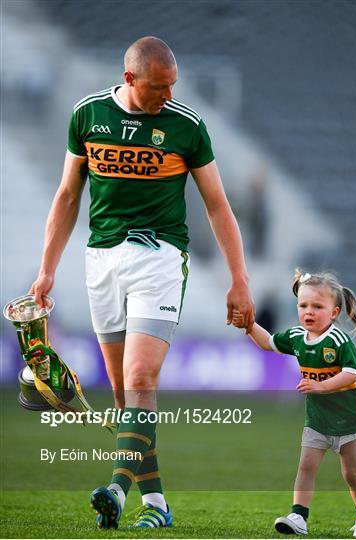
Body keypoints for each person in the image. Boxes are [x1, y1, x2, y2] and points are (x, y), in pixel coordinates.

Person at [29, 36, 255, 529]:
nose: (167, 96)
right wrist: (47, 269)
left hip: (159, 258)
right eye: (158, 87)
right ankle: (157, 506)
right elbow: (68, 195)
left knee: (140, 381)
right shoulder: (87, 115)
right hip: (101, 261)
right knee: (122, 395)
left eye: (173, 85)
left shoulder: (186, 126)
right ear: (130, 78)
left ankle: (115, 488)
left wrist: (239, 279)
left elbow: (218, 205)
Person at [232, 270, 356, 538]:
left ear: (333, 312)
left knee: (352, 474)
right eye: (303, 305)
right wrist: (249, 326)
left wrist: (321, 385)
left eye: (317, 306)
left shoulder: (338, 341)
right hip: (317, 420)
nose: (309, 311)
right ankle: (299, 516)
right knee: (306, 467)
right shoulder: (297, 336)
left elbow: (352, 374)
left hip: (348, 419)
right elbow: (268, 343)